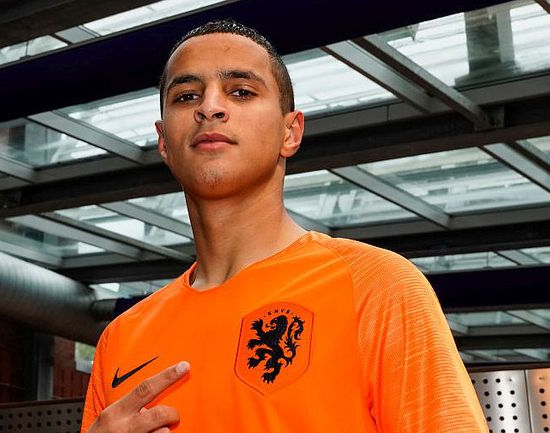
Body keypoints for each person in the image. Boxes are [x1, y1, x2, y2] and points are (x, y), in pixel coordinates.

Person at [81, 20, 488, 433]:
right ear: (164, 142)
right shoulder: (122, 338)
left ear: (290, 132)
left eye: (241, 91)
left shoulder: (377, 287)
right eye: (187, 96)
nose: (210, 107)